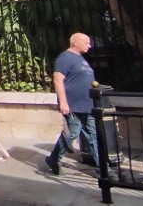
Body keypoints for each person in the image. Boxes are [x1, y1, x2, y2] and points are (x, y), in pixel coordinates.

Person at [44, 33, 115, 180]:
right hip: (74, 105)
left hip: (88, 105)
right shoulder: (65, 58)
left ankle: (103, 169)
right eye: (87, 43)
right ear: (75, 43)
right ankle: (54, 158)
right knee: (72, 135)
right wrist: (63, 102)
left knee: (94, 136)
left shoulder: (81, 59)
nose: (90, 46)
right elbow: (58, 80)